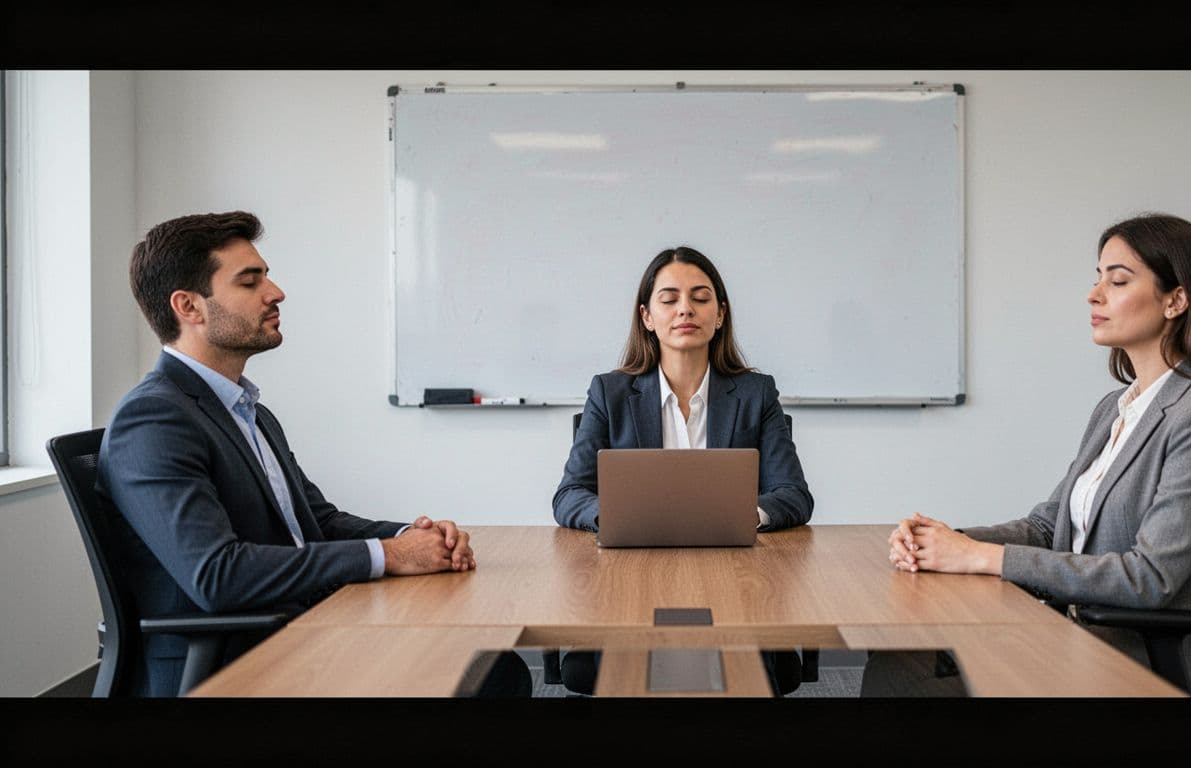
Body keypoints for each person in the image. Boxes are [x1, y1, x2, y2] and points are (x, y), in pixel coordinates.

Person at [99, 211, 527, 697]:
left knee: (495, 669)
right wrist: (387, 555)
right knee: (489, 679)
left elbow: (316, 522)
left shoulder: (245, 410)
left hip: (297, 628)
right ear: (189, 307)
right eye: (250, 281)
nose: (275, 292)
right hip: (234, 663)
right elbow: (217, 575)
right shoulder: (154, 420)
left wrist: (414, 537)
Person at [883, 213, 1191, 697]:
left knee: (910, 675)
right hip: (1073, 636)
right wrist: (944, 540)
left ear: (1177, 299)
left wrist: (982, 558)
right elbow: (1050, 526)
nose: (1095, 294)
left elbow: (1149, 578)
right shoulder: (1117, 407)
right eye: (1097, 277)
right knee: (899, 652)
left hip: (1136, 662)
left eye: (1119, 279)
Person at [551, 245, 814, 694]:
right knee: (625, 673)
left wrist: (744, 514)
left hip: (737, 582)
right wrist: (618, 517)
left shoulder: (756, 394)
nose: (685, 309)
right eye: (669, 298)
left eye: (700, 297)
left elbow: (793, 494)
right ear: (647, 317)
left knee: (747, 674)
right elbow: (569, 495)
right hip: (631, 583)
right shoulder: (610, 394)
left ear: (720, 314)